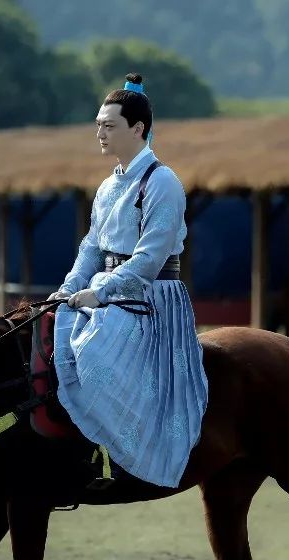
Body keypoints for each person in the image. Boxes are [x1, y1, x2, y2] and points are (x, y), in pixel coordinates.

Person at [47, 72, 208, 488]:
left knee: (97, 346)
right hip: (107, 291)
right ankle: (74, 444)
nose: (100, 132)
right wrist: (68, 289)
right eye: (98, 124)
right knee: (51, 328)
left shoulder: (162, 182)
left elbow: (150, 258)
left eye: (109, 125)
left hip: (150, 297)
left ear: (137, 129)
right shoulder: (107, 186)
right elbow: (91, 247)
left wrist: (99, 292)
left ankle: (119, 455)